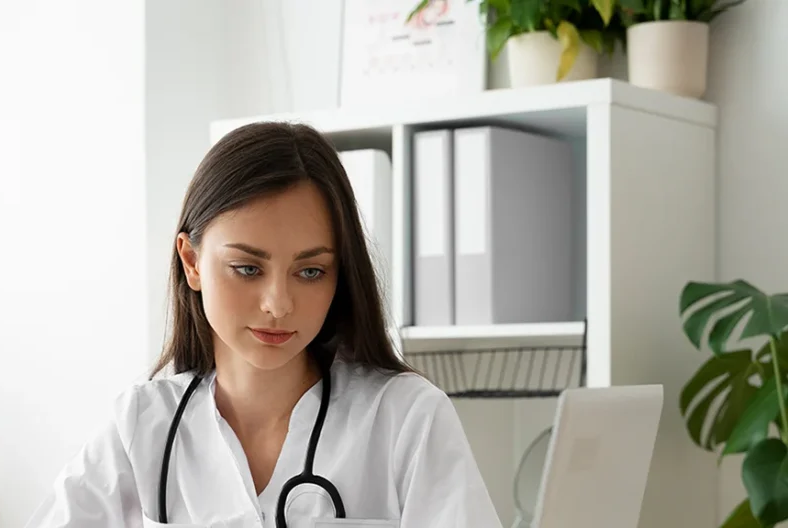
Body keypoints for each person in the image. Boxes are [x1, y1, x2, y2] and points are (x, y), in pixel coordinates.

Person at [26, 122, 501, 528]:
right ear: (192, 262)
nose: (278, 304)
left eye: (310, 271)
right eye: (248, 269)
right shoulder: (141, 427)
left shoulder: (406, 417)